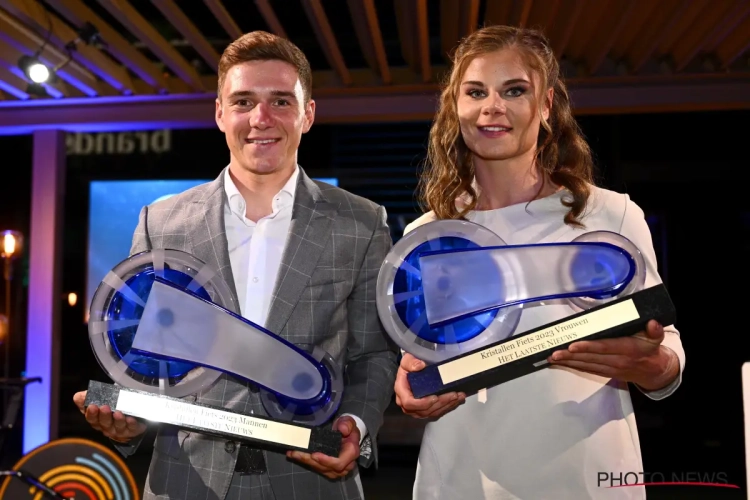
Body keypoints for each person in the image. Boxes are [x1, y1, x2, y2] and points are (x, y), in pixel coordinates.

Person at [73, 31, 399, 500]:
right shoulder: (160, 222)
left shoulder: (361, 222)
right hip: (187, 482)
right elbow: (143, 363)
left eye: (281, 101)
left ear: (308, 114)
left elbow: (373, 354)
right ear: (220, 112)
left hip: (312, 480)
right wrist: (129, 424)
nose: (261, 119)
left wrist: (356, 423)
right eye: (243, 101)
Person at [394, 25, 685, 500]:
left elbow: (667, 351)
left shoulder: (609, 215)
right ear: (456, 108)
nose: (493, 107)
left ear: (546, 106)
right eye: (476, 92)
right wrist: (408, 386)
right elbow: (418, 362)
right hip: (460, 477)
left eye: (514, 91)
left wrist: (656, 368)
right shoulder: (425, 236)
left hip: (584, 476)